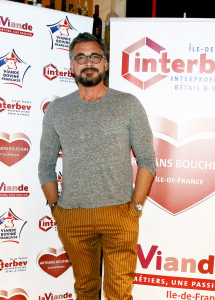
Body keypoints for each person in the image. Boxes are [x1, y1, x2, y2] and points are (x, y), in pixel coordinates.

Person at [38, 32, 156, 300]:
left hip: (119, 214)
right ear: (71, 65)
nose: (88, 62)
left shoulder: (128, 105)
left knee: (119, 293)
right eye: (80, 57)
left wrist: (135, 207)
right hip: (73, 216)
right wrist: (57, 208)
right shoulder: (57, 109)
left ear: (106, 64)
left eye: (95, 57)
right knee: (86, 290)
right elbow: (45, 164)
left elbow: (148, 160)